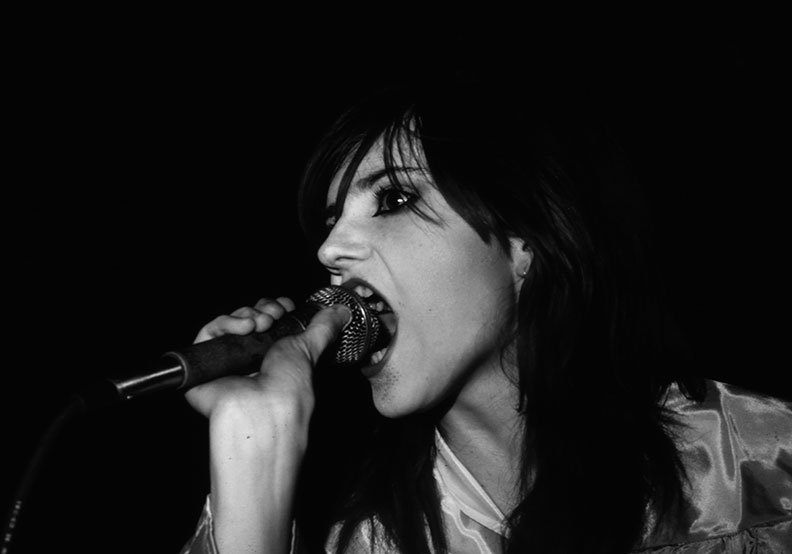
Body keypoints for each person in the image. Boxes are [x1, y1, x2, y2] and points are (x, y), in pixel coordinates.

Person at [180, 76, 792, 553]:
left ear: (524, 241)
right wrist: (251, 453)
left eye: (393, 198)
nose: (329, 250)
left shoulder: (762, 465)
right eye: (331, 220)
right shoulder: (349, 536)